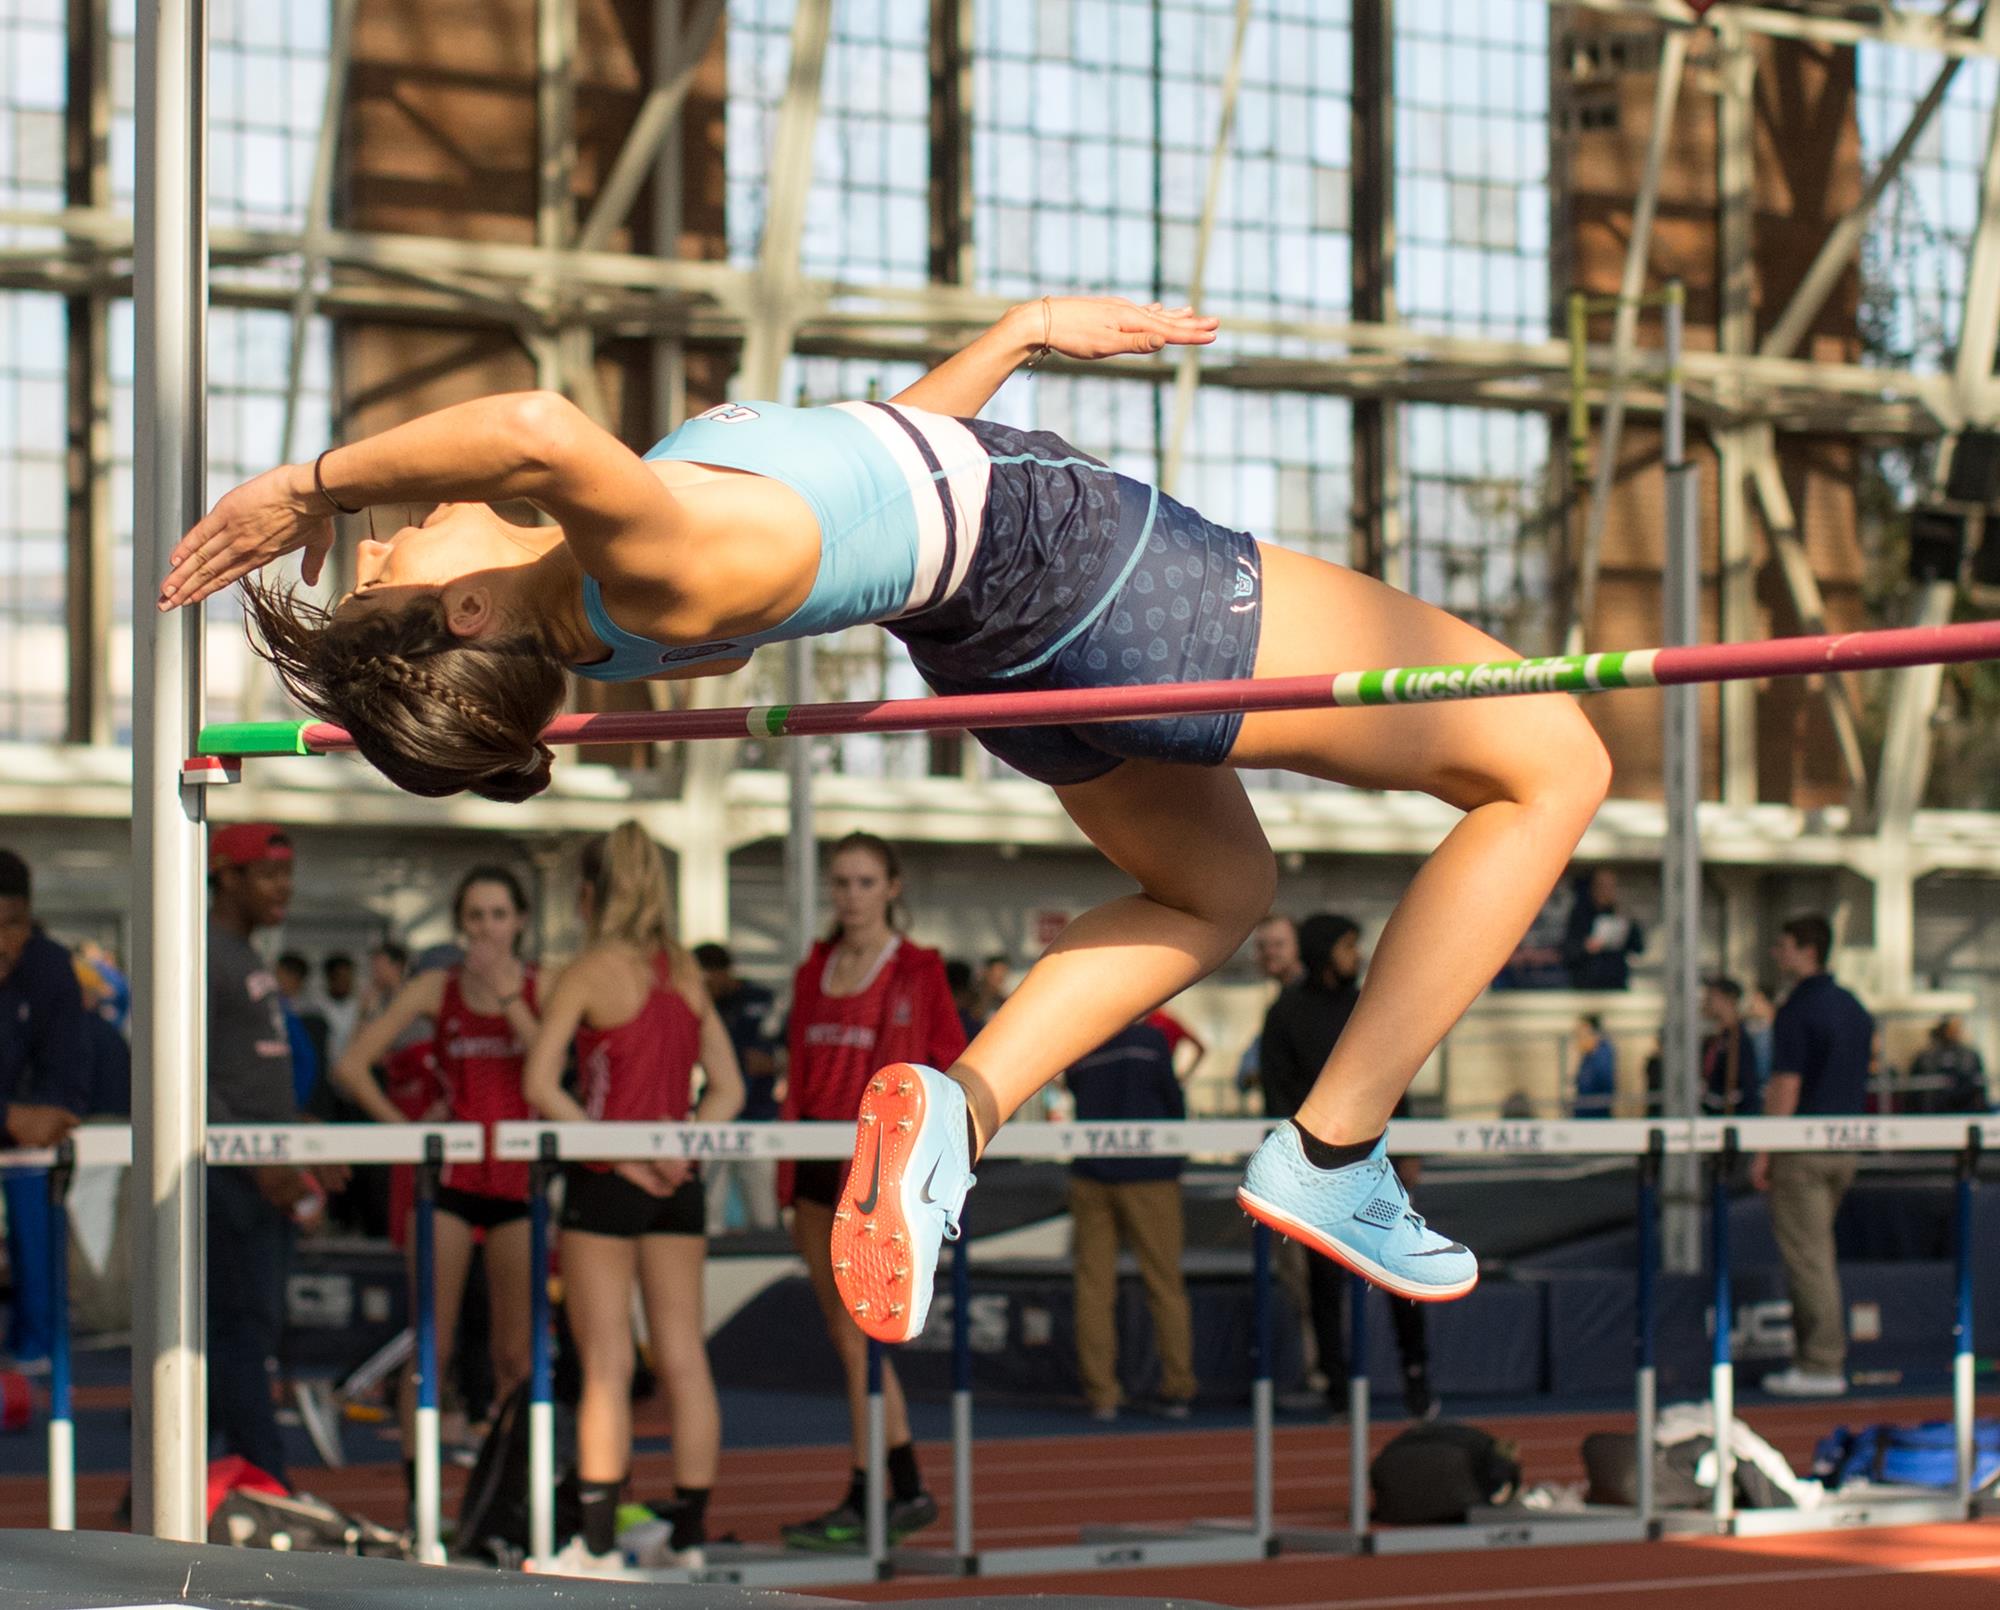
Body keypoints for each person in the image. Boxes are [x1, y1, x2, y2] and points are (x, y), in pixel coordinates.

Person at [166, 293, 1612, 1338]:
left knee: (1216, 890)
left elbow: (881, 482)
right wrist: (302, 488)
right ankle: (1337, 1147)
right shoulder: (636, 565)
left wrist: (1016, 336)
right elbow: (537, 428)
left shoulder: (618, 627)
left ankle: (956, 1112)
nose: (393, 526)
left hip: (1002, 635)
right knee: (1553, 761)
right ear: (470, 606)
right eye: (394, 557)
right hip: (1099, 579)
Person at [523, 823, 743, 1575]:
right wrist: (678, 1148)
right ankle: (689, 1537)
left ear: (590, 891)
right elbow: (732, 1087)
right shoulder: (683, 971)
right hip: (674, 1185)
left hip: (610, 1179)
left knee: (608, 1363)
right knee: (683, 1357)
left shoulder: (588, 971)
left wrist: (619, 1149)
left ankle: (593, 1545)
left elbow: (539, 1082)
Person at [779, 833, 965, 1550]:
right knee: (846, 1336)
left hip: (878, 1168)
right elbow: (797, 1072)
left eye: (863, 882)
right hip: (812, 1165)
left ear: (892, 887)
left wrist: (928, 1163)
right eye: (841, 883)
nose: (850, 895)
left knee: (862, 1339)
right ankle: (903, 1484)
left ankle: (873, 1490)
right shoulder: (814, 969)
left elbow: (952, 1060)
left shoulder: (917, 970)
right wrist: (783, 1172)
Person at [333, 865, 542, 1496]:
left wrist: (508, 999)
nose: (486, 929)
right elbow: (352, 1065)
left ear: (520, 922)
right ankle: (421, 1499)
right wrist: (407, 1129)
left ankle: (505, 1501)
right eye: (474, 917)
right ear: (460, 924)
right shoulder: (434, 987)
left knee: (515, 1355)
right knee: (433, 1347)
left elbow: (555, 1069)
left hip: (517, 1182)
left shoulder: (543, 986)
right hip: (448, 1182)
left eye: (498, 916)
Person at [206, 823, 342, 1484]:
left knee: (242, 1333)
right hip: (230, 1176)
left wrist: (306, 1140)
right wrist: (259, 1159)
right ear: (225, 877)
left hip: (263, 1167)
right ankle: (271, 1484)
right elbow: (186, 1075)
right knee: (241, 1334)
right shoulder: (205, 953)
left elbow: (248, 1077)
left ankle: (145, 1490)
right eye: (267, 872)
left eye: (287, 872)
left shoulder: (248, 956)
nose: (282, 886)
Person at [1260, 914, 1433, 1419]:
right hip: (1320, 1176)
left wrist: (1409, 1150)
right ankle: (1337, 1386)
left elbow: (1396, 1075)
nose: (1354, 955)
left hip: (1379, 1171)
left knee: (1403, 1272)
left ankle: (1416, 1377)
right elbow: (1279, 1094)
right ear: (1322, 951)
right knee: (1325, 1285)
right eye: (1347, 946)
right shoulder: (1286, 1015)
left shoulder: (1368, 1007)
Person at [1752, 916, 1872, 1399]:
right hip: (1845, 1146)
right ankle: (1819, 1358)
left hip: (1803, 1147)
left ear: (1806, 949)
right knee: (1818, 1255)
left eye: (1782, 944)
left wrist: (1764, 1150)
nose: (1776, 954)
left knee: (1809, 1259)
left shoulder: (1798, 1010)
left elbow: (1786, 1085)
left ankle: (1821, 1364)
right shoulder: (1854, 1008)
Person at [1064, 1016, 1197, 1422]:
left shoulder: (1081, 1043)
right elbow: (1173, 1102)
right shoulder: (1150, 1041)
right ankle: (1177, 1389)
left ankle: (1102, 1394)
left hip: (1092, 1174)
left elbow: (1074, 1089)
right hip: (1151, 1175)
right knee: (1165, 1283)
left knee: (1093, 1287)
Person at [0, 848, 89, 1374]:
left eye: (13, 925)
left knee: (39, 1191)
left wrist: (49, 1112)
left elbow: (68, 1064)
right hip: (12, 1118)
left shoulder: (50, 965)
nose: (3, 941)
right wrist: (6, 1116)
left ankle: (37, 1347)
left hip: (29, 1136)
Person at [693, 942, 782, 1233]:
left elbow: (799, 1052)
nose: (706, 986)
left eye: (709, 979)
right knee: (708, 1207)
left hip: (758, 1113)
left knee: (764, 1208)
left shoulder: (763, 1001)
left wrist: (773, 1062)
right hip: (714, 1115)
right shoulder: (702, 1006)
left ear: (724, 973)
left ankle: (769, 1266)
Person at [1236, 914, 1304, 1101]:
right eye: (1261, 946)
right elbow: (1246, 1072)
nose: (1269, 952)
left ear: (1299, 946)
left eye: (1279, 944)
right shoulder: (1281, 1002)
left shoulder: (1308, 1000)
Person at [1562, 868, 1644, 991]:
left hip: (1615, 982)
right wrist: (1586, 947)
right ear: (1593, 888)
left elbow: (1638, 947)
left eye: (1611, 887)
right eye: (1602, 886)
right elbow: (1567, 951)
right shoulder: (1580, 915)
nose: (1607, 891)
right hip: (1586, 984)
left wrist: (1629, 924)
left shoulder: (1621, 914)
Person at [1700, 977, 1762, 1116]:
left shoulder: (1737, 1039)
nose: (1706, 1002)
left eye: (1711, 997)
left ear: (1729, 999)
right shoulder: (1717, 1040)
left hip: (1732, 1119)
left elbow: (1747, 1088)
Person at [274, 952, 327, 1110]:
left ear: (293, 977)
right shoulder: (275, 1008)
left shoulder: (311, 1015)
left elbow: (311, 1061)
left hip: (300, 1101)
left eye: (277, 974)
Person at [1904, 1017, 1989, 1114]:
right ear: (1943, 1029)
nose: (1955, 1032)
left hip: (1965, 1108)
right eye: (1952, 1028)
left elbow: (1979, 1085)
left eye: (1958, 1028)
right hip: (1934, 1110)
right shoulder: (1925, 1057)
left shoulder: (1970, 1056)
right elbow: (1914, 1090)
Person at [316, 953, 362, 1065]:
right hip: (325, 1070)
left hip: (353, 1069)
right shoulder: (316, 1007)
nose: (345, 982)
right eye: (340, 977)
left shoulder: (360, 1006)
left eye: (348, 977)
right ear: (330, 978)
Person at [1571, 1015, 1616, 1118]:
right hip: (1585, 1115)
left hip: (1595, 1117)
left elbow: (1604, 1090)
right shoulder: (1587, 1057)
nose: (1578, 1040)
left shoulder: (1603, 1056)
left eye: (1581, 1035)